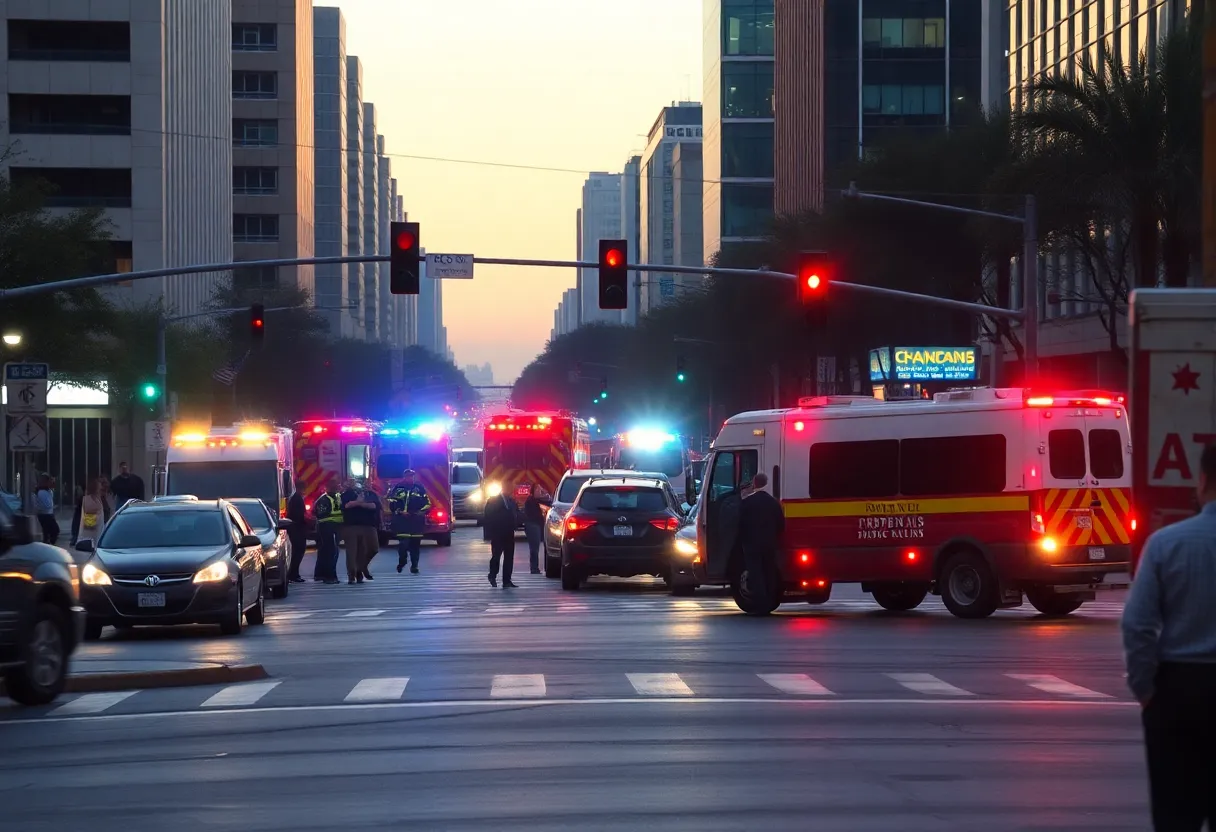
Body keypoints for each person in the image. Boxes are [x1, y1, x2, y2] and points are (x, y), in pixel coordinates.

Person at [1122, 442, 1216, 831]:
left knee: (1176, 816)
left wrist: (1147, 691)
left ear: (1203, 480)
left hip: (1179, 692)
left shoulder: (1166, 543)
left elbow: (1137, 625)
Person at [736, 472, 785, 611]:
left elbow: (741, 524)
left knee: (755, 571)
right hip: (769, 543)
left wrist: (742, 540)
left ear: (754, 483)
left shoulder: (747, 502)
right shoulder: (773, 502)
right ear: (766, 483)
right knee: (769, 570)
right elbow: (781, 524)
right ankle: (770, 598)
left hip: (751, 544)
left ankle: (759, 601)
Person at [389, 470, 431, 574]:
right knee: (403, 544)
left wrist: (420, 512)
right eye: (408, 476)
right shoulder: (398, 488)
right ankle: (402, 561)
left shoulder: (419, 488)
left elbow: (428, 503)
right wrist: (400, 512)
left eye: (412, 476)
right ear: (404, 477)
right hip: (402, 521)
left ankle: (414, 566)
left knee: (415, 546)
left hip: (416, 521)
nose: (410, 478)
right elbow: (392, 503)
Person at [340, 478, 380, 584]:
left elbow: (374, 506)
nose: (363, 485)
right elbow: (346, 505)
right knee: (352, 552)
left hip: (369, 525)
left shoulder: (371, 494)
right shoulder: (346, 494)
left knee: (373, 548)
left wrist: (358, 503)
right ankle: (352, 575)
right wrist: (362, 503)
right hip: (350, 526)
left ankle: (362, 567)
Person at [484, 488, 518, 588]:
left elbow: (515, 513)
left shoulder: (511, 501)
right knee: (496, 555)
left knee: (509, 557)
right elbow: (488, 515)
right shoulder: (494, 500)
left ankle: (507, 581)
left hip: (509, 533)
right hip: (498, 533)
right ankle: (492, 575)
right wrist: (490, 531)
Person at [312, 478, 343, 584]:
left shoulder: (337, 497)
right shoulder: (324, 499)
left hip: (334, 527)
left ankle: (320, 574)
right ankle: (330, 577)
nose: (338, 487)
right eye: (336, 485)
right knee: (331, 552)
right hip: (326, 527)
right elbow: (320, 514)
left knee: (325, 551)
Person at [522, 484, 551, 574]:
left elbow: (550, 502)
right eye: (538, 490)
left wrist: (544, 493)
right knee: (534, 548)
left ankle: (535, 567)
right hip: (532, 525)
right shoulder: (531, 500)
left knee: (536, 547)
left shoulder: (538, 500)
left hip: (537, 525)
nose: (539, 491)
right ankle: (534, 568)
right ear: (533, 491)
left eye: (540, 490)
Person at [75, 478, 107, 557]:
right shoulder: (89, 499)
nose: (101, 488)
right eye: (99, 486)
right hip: (90, 538)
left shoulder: (97, 498)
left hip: (95, 535)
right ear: (95, 488)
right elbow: (90, 518)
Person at [285, 478, 307, 584]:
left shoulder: (295, 498)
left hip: (296, 529)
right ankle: (293, 574)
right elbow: (298, 516)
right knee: (298, 552)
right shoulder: (297, 499)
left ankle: (294, 574)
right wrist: (307, 520)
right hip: (297, 529)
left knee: (297, 552)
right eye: (303, 488)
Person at [34, 474, 59, 545]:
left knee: (47, 532)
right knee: (54, 530)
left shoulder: (48, 491)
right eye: (50, 481)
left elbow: (49, 504)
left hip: (48, 514)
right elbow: (46, 505)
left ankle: (48, 544)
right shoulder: (41, 492)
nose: (52, 483)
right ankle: (49, 544)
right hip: (45, 515)